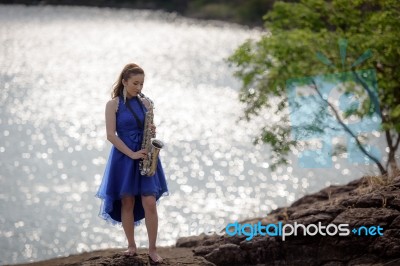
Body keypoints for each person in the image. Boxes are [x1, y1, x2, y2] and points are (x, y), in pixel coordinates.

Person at [95, 63, 169, 263]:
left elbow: (149, 131)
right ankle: (131, 245)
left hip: (145, 154)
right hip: (124, 155)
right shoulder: (113, 105)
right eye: (135, 83)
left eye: (142, 84)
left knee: (150, 202)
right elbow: (111, 135)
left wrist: (152, 130)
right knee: (127, 202)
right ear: (125, 81)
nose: (139, 87)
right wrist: (131, 153)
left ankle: (153, 250)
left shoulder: (146, 103)